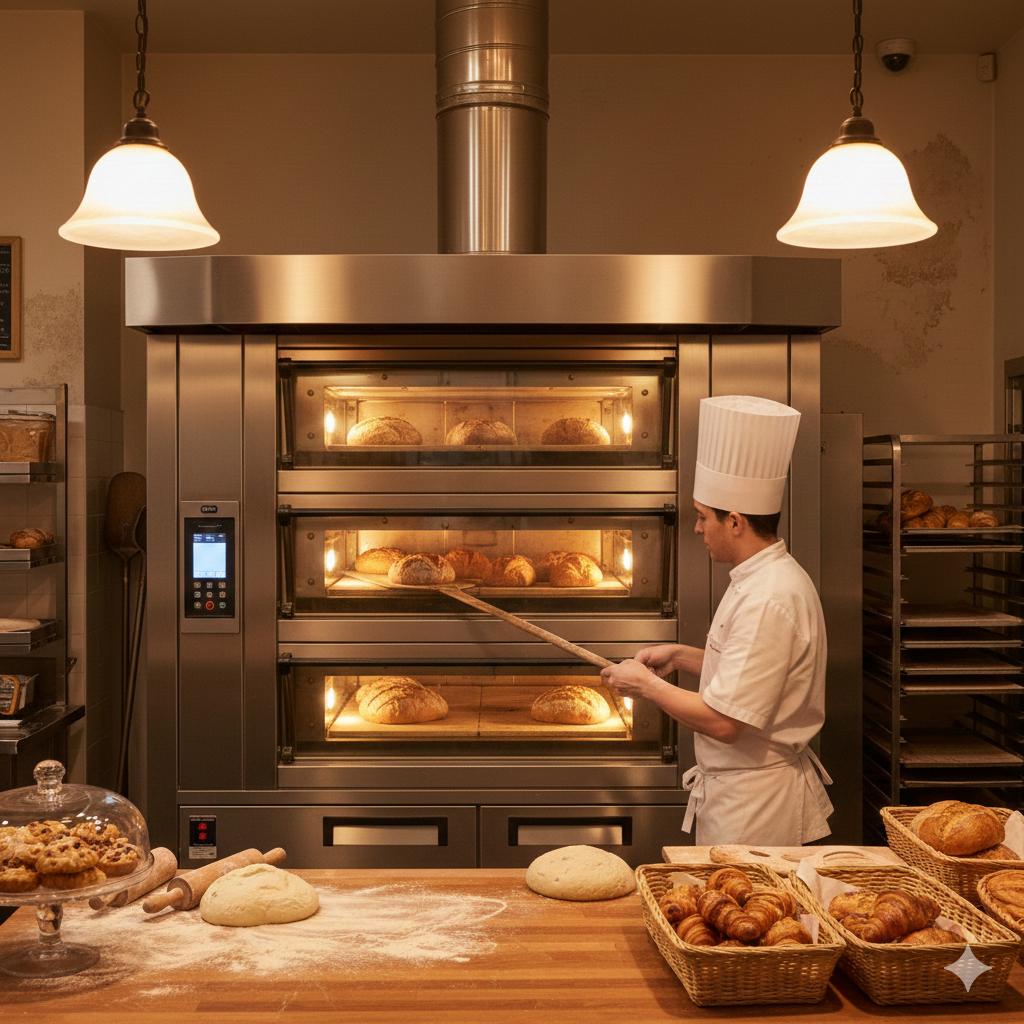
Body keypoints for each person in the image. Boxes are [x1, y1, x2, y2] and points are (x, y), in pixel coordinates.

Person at [600, 395, 833, 846]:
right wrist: (684, 657)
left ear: (736, 521)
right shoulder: (762, 578)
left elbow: (726, 723)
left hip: (755, 810)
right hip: (740, 796)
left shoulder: (769, 597)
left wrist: (647, 686)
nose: (697, 528)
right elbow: (754, 676)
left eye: (704, 518)